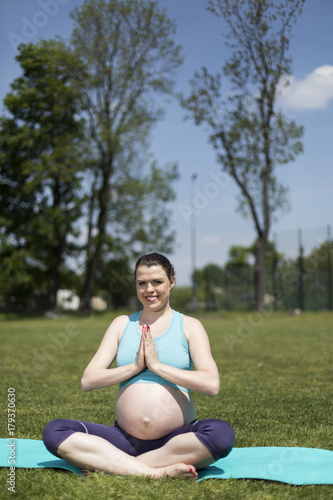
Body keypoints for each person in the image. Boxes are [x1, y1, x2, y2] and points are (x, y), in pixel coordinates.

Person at [43, 253, 235, 479]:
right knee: (54, 431)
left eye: (157, 282)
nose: (149, 290)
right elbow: (88, 380)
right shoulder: (122, 324)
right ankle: (155, 472)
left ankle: (117, 465)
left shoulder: (190, 326)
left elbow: (211, 384)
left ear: (171, 282)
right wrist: (135, 367)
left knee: (221, 435)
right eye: (141, 283)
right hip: (123, 439)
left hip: (176, 440)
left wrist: (156, 366)